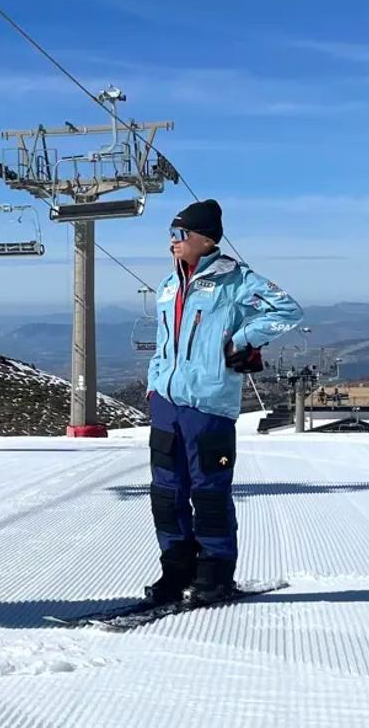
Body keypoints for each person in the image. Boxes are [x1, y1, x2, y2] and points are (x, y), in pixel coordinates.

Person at [145, 199, 303, 605]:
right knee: (166, 492)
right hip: (166, 403)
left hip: (209, 404)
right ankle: (174, 572)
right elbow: (165, 342)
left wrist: (244, 339)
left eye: (180, 235)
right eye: (171, 235)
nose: (172, 243)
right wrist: (154, 385)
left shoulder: (237, 280)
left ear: (204, 238)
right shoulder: (168, 284)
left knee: (208, 492)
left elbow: (288, 310)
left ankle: (214, 576)